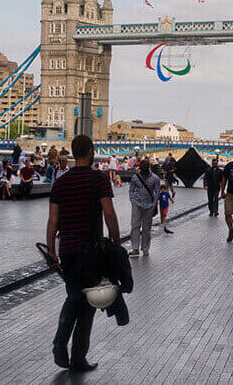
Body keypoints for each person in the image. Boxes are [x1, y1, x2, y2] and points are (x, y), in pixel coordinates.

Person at [45, 135, 120, 373]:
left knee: (74, 296)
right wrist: (116, 245)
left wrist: (51, 252)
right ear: (91, 152)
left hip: (67, 250)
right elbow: (109, 214)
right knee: (87, 304)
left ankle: (60, 345)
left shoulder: (60, 183)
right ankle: (76, 356)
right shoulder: (99, 179)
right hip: (91, 252)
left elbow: (53, 221)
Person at [128, 159, 159, 256]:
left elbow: (157, 192)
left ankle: (145, 248)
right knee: (135, 226)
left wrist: (154, 204)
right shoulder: (135, 178)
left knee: (147, 228)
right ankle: (135, 248)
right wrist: (133, 201)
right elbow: (131, 190)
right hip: (137, 204)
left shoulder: (155, 178)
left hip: (149, 205)